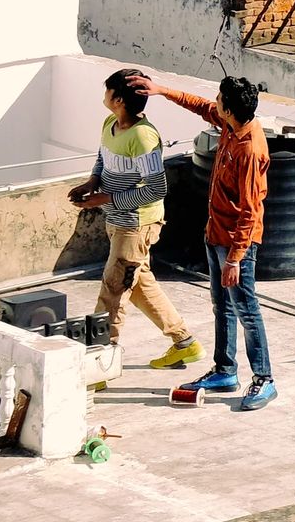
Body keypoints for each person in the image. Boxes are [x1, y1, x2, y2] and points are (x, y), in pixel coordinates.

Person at [155, 74, 275, 411]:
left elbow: (250, 210)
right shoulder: (229, 125)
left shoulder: (249, 148)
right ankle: (225, 370)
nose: (215, 102)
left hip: (237, 245)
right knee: (222, 306)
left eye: (220, 99)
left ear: (231, 109)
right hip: (215, 235)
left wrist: (236, 258)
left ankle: (264, 378)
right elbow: (199, 105)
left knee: (247, 311)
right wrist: (162, 90)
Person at [70, 68, 199, 380]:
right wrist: (92, 182)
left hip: (136, 226)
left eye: (107, 91)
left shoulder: (143, 137)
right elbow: (103, 156)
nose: (103, 96)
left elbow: (156, 189)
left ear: (117, 99)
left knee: (112, 291)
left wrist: (104, 199)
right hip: (118, 220)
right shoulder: (110, 123)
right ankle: (184, 342)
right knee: (139, 286)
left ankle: (98, 367)